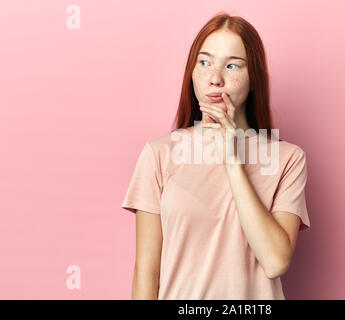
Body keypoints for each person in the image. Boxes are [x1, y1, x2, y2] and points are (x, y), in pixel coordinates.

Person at [121, 12, 310, 300]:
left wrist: (233, 160)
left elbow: (275, 261)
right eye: (205, 62)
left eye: (232, 65)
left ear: (253, 79)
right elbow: (147, 273)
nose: (215, 78)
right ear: (192, 72)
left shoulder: (287, 159)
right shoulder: (159, 154)